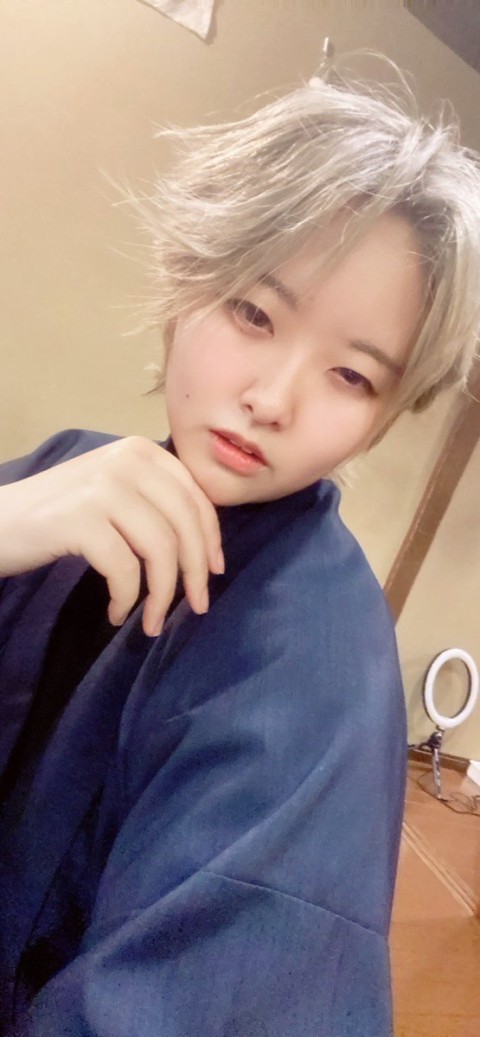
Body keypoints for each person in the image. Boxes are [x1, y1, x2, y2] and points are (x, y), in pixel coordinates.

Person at [0, 68, 479, 1037]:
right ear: (188, 275)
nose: (273, 399)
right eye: (254, 314)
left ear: (385, 414)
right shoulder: (65, 471)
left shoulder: (315, 668)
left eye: (352, 374)